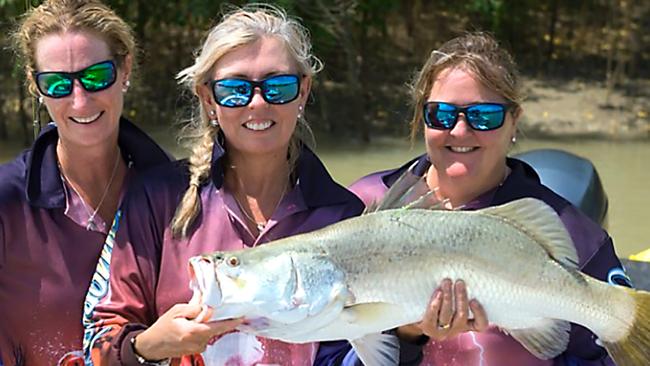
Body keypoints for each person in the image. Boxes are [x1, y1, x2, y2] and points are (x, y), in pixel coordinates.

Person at [88, 5, 423, 365]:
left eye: (278, 86)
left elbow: (352, 351)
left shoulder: (344, 216)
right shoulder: (155, 198)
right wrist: (147, 347)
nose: (258, 103)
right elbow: (96, 340)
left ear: (304, 92)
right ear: (208, 98)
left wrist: (410, 332)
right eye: (235, 89)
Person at [349, 32, 626, 366]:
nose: (461, 131)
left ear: (514, 121)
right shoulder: (362, 205)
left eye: (484, 115)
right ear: (421, 118)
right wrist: (405, 334)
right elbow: (326, 352)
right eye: (441, 114)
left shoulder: (574, 233)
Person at [0, 0, 171, 365]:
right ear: (35, 86)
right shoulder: (5, 201)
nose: (80, 100)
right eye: (58, 83)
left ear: (125, 69)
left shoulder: (181, 196)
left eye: (95, 77)